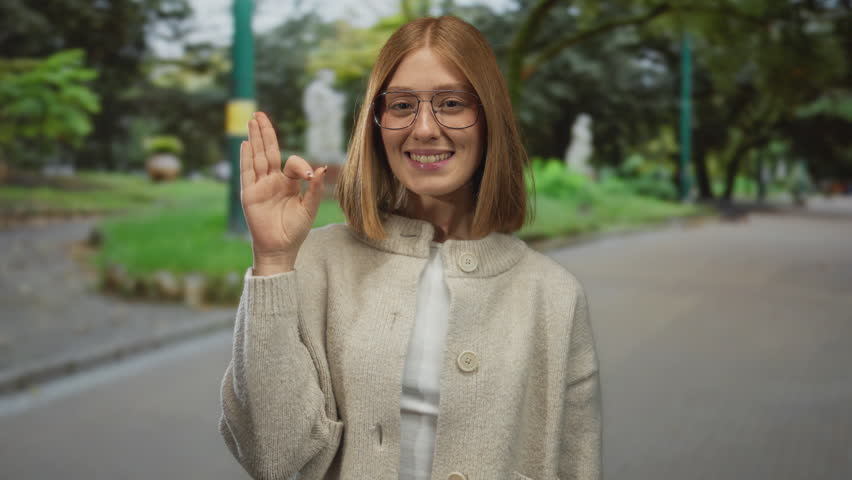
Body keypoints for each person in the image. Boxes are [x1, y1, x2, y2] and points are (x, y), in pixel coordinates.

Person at [219, 15, 601, 480]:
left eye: (452, 103)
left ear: (491, 117)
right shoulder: (316, 264)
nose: (423, 128)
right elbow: (273, 458)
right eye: (401, 105)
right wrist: (274, 261)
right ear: (376, 123)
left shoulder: (555, 296)